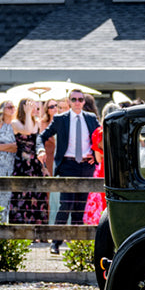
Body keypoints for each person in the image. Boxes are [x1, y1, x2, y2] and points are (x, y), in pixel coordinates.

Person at [38, 89, 100, 254]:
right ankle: (55, 243)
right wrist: (40, 151)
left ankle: (78, 246)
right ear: (69, 101)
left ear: (84, 102)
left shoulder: (91, 118)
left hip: (87, 165)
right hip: (68, 165)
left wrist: (97, 154)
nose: (78, 102)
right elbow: (41, 136)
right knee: (66, 204)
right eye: (74, 99)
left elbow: (101, 137)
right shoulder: (60, 119)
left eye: (80, 99)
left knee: (81, 206)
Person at [8, 98, 49, 228]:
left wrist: (44, 166)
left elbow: (37, 140)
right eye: (30, 106)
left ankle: (37, 230)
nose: (34, 109)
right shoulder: (15, 123)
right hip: (21, 164)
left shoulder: (37, 122)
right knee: (22, 195)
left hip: (34, 164)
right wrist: (27, 114)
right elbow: (27, 131)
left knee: (37, 196)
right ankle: (21, 228)